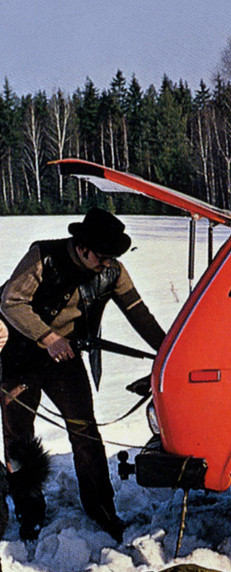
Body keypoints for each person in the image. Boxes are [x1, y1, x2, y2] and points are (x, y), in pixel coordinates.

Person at [0, 208, 165, 542]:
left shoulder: (113, 271)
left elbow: (140, 314)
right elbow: (11, 302)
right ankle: (29, 512)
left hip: (64, 358)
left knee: (85, 432)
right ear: (83, 247)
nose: (107, 264)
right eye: (102, 257)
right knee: (19, 438)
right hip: (18, 355)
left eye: (111, 258)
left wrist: (168, 351)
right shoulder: (42, 257)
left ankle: (102, 508)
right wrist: (48, 338)